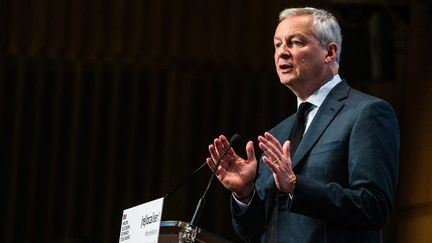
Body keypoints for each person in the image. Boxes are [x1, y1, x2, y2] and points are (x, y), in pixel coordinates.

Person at [206, 7, 400, 243]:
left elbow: (374, 206)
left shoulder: (366, 113)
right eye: (277, 45)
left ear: (329, 52)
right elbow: (256, 231)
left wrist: (297, 186)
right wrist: (245, 194)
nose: (282, 53)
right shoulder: (278, 133)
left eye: (295, 42)